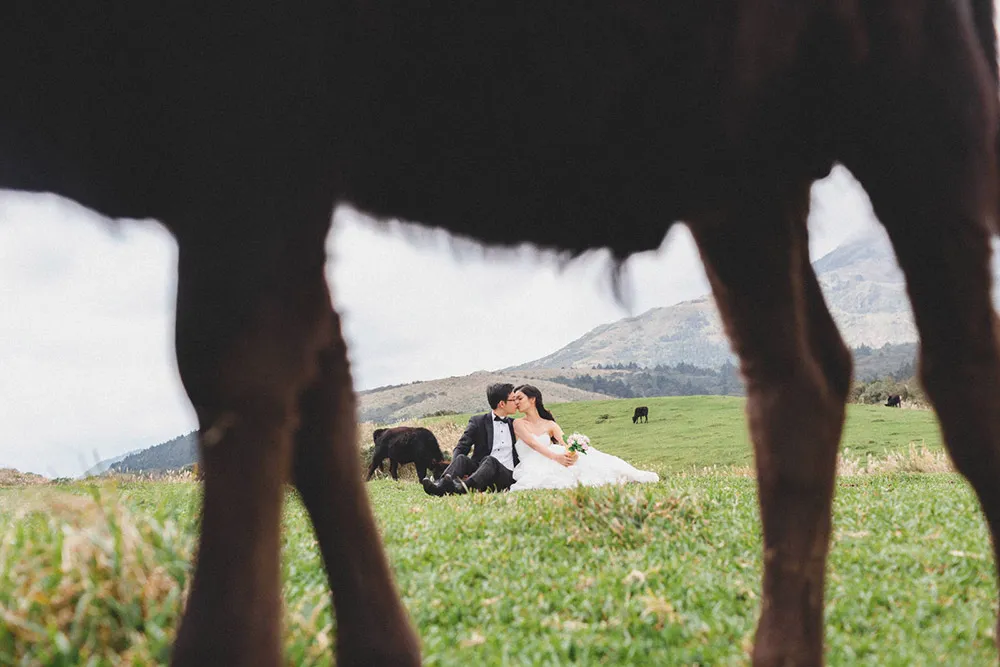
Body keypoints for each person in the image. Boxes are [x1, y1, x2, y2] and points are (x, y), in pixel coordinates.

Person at [510, 384, 659, 490]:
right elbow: (533, 444)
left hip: (555, 455)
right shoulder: (518, 423)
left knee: (590, 458)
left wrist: (572, 452)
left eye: (519, 398)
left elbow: (565, 441)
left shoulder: (550, 424)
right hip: (534, 462)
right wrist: (556, 458)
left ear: (532, 399)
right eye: (514, 399)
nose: (516, 402)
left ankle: (628, 475)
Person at [421, 382, 520, 496]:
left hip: (505, 475)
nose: (516, 403)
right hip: (480, 472)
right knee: (461, 458)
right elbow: (462, 446)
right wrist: (455, 469)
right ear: (502, 404)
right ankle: (441, 485)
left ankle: (462, 487)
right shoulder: (478, 421)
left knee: (490, 460)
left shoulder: (516, 425)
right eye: (513, 399)